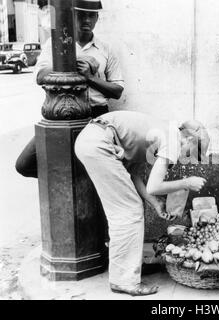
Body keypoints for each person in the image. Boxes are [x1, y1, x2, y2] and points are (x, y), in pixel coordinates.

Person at [74, 110, 210, 296]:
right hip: (99, 144)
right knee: (128, 211)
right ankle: (124, 280)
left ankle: (130, 268)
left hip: (95, 140)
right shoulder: (173, 140)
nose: (189, 161)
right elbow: (154, 186)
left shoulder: (160, 133)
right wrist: (187, 182)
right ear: (190, 140)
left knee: (129, 207)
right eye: (196, 154)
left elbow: (132, 173)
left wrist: (155, 203)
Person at [15, 0, 124, 178]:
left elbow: (117, 90)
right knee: (24, 164)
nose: (86, 20)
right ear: (71, 16)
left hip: (96, 115)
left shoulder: (106, 49)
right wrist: (72, 63)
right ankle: (65, 183)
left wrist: (90, 78)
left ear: (97, 18)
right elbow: (40, 76)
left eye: (91, 15)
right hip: (60, 114)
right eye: (81, 15)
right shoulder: (55, 44)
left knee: (95, 167)